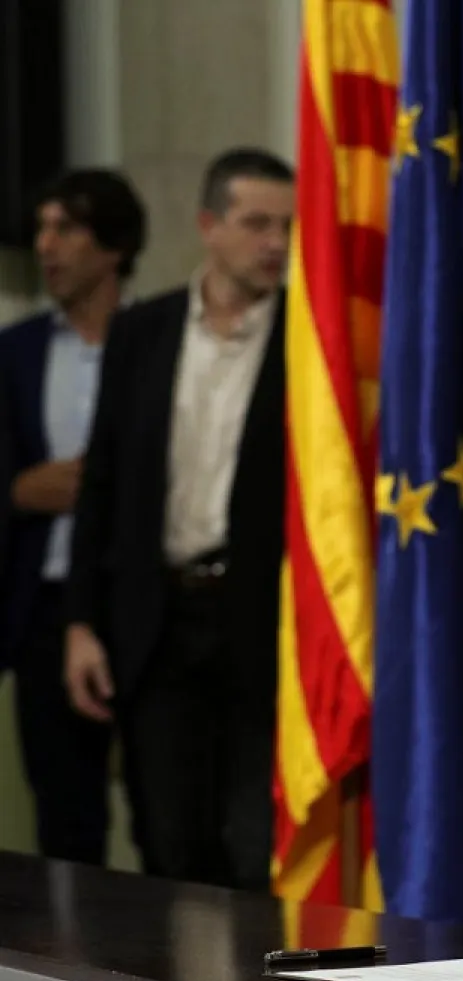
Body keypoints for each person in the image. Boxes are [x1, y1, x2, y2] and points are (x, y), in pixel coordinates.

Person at [64, 148, 293, 891]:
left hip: (262, 619)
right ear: (208, 226)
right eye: (256, 223)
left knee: (255, 837)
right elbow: (101, 484)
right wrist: (80, 623)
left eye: (287, 226)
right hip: (155, 617)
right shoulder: (145, 331)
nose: (275, 243)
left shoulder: (308, 340)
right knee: (167, 835)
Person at [0, 169, 146, 865]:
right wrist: (20, 490)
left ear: (113, 245)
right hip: (42, 608)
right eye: (40, 230)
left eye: (66, 228)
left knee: (164, 806)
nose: (46, 246)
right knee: (64, 810)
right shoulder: (17, 351)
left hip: (145, 600)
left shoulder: (157, 338)